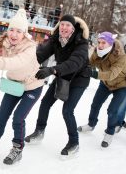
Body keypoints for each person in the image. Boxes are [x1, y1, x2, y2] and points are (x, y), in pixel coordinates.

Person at [0, 9, 44, 165]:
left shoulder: (30, 48)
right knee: (2, 114)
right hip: (14, 85)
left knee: (18, 118)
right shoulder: (4, 43)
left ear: (24, 34)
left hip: (32, 86)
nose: (14, 34)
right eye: (11, 30)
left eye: (18, 31)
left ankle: (17, 148)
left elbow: (17, 62)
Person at [25, 14, 90, 157]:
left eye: (68, 25)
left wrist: (53, 70)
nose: (64, 28)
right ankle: (39, 131)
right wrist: (26, 62)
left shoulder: (81, 42)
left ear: (73, 28)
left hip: (79, 78)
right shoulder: (55, 39)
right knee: (45, 103)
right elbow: (41, 54)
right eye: (62, 24)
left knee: (67, 110)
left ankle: (74, 143)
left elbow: (75, 62)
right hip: (62, 74)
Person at [77, 32, 126, 148]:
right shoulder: (98, 51)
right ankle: (91, 124)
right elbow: (89, 63)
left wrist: (93, 74)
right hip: (105, 84)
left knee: (112, 110)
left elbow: (112, 74)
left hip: (122, 86)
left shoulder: (120, 55)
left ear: (110, 44)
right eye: (99, 42)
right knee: (95, 104)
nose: (100, 45)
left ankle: (110, 132)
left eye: (103, 43)